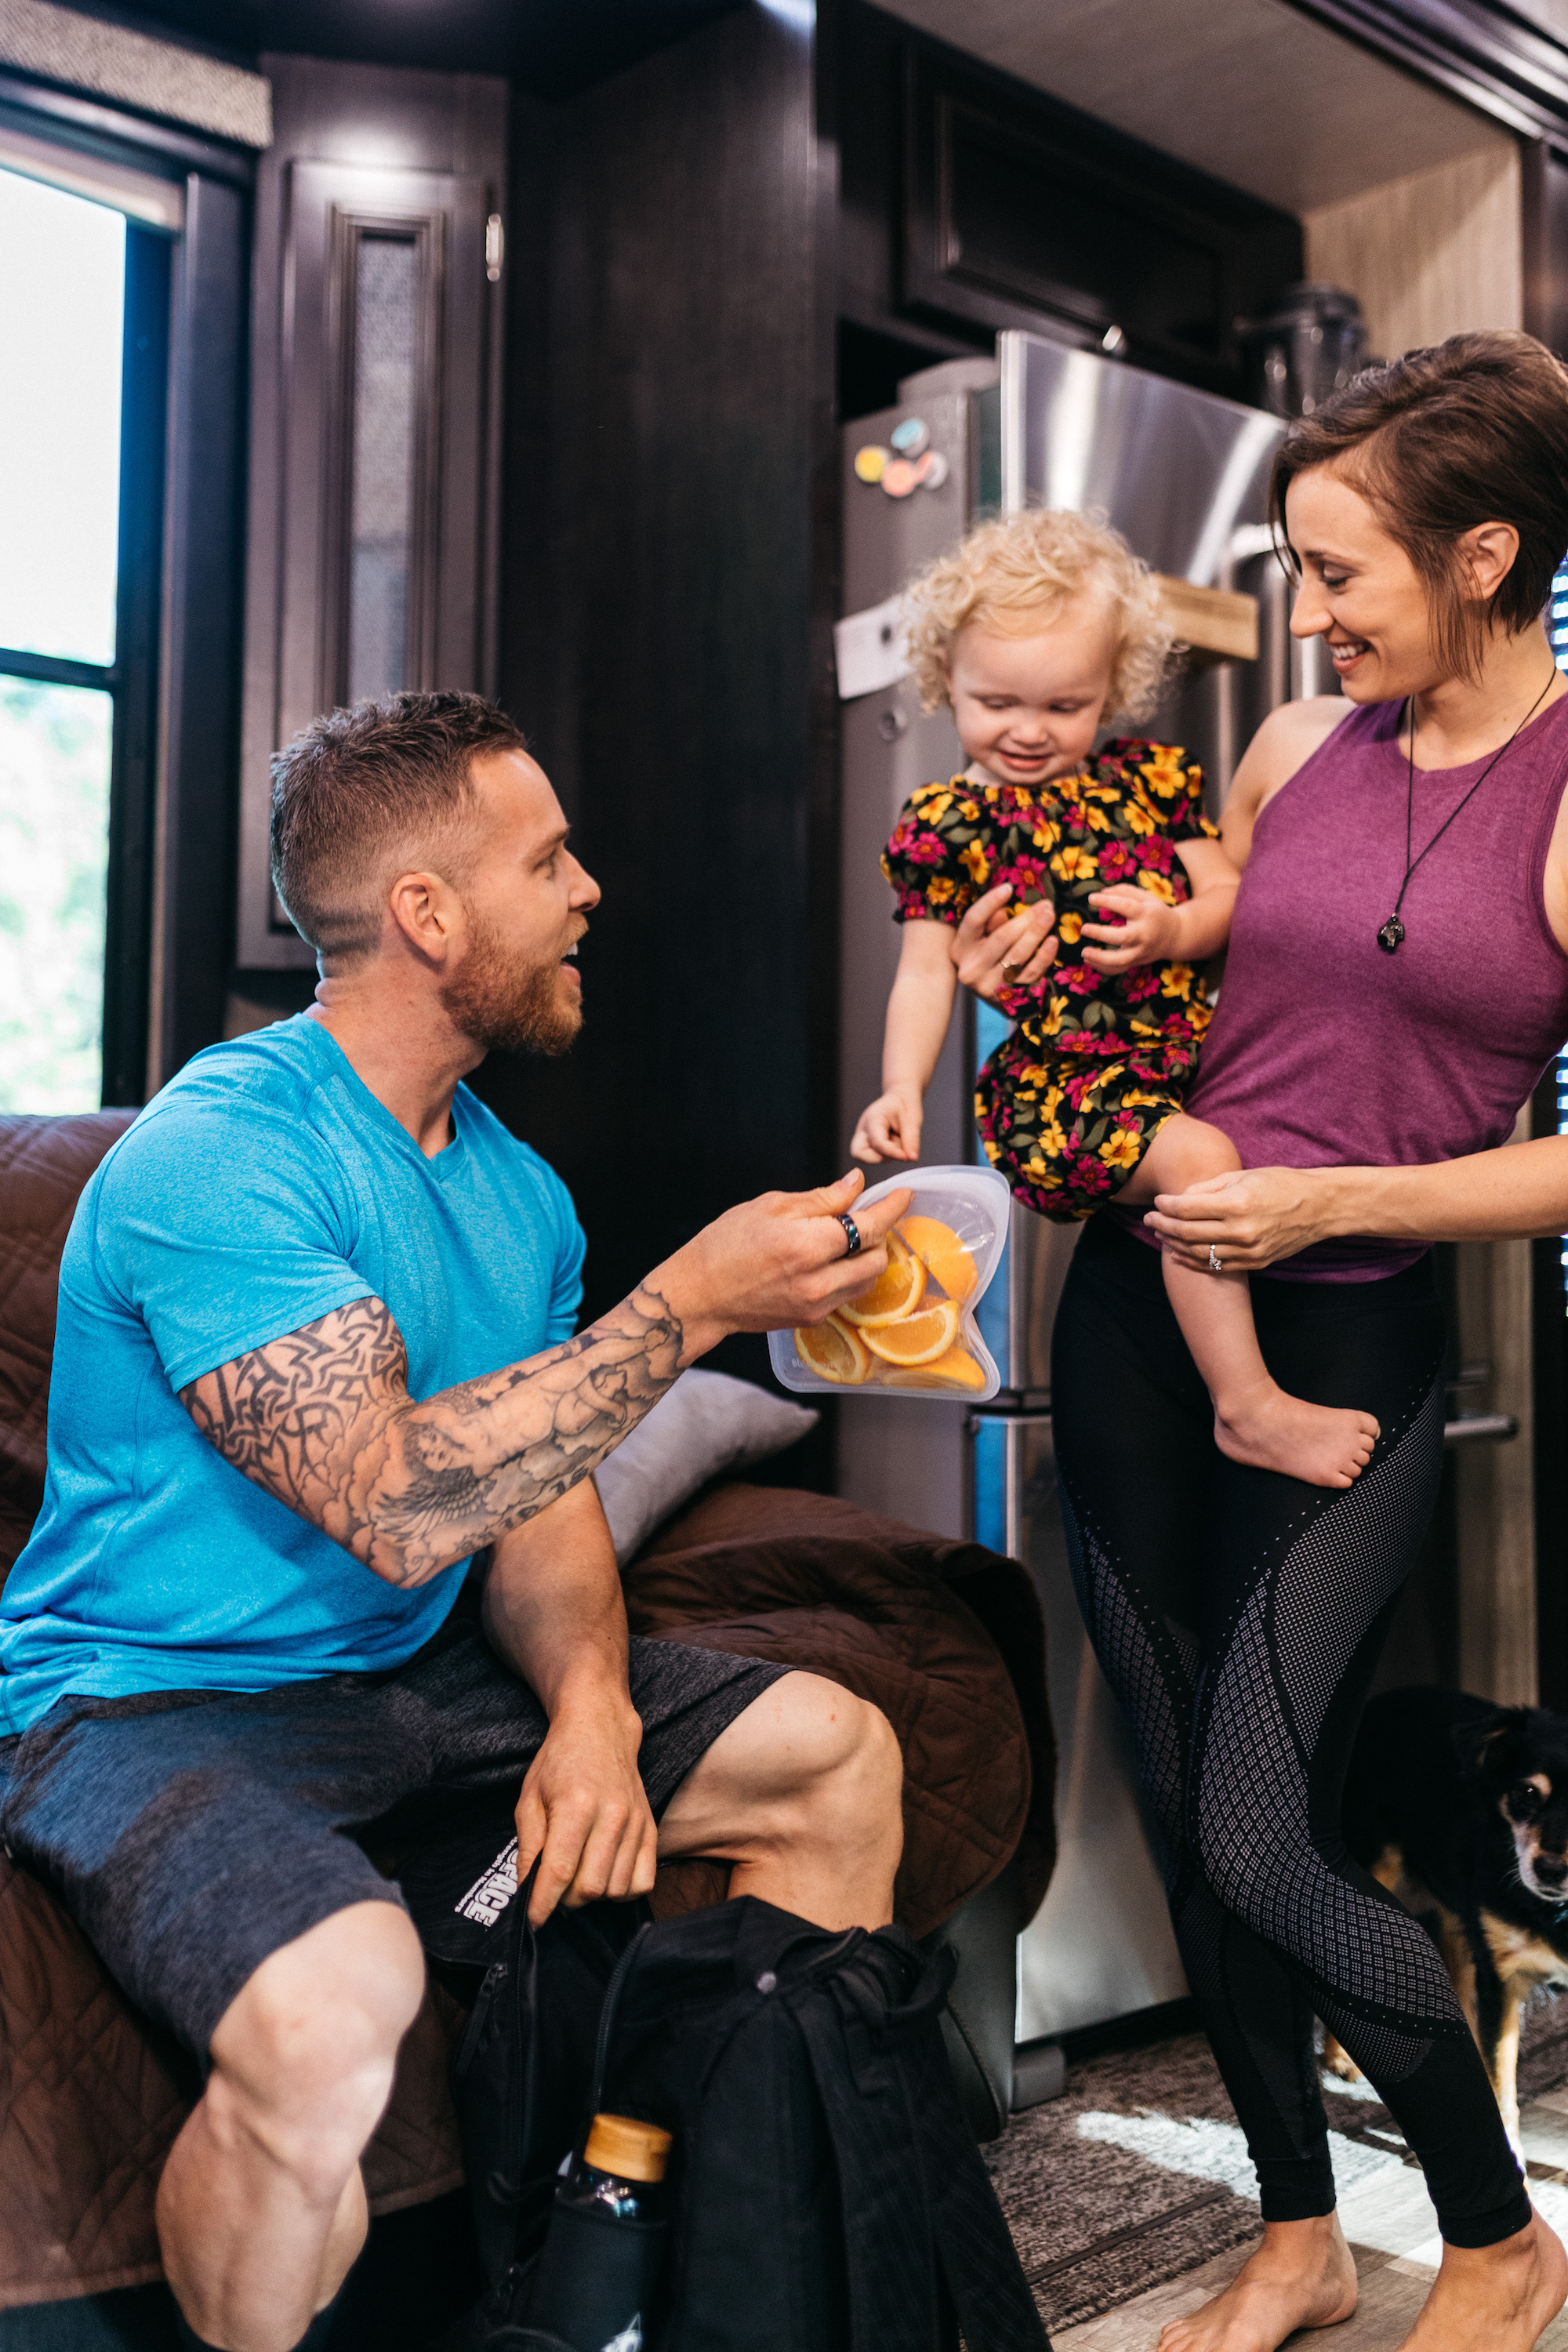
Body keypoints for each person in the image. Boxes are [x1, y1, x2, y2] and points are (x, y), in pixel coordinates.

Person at [0, 691, 911, 2352]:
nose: (589, 892)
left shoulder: (513, 1188)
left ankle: (731, 2285)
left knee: (833, 1756)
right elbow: (400, 1503)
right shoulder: (224, 1154)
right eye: (547, 857)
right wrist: (685, 1311)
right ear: (428, 913)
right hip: (149, 1702)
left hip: (412, 1695)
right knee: (336, 2007)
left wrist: (589, 1712)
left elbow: (527, 1494)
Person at [953, 332, 1568, 2352]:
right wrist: (1051, 936)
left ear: (1479, 554)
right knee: (1177, 1785)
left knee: (1251, 1819)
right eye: (1297, 570)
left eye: (1339, 572)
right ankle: (1292, 2227)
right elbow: (1180, 969)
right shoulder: (1299, 750)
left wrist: (1336, 1201)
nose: (1307, 619)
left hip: (1353, 1343)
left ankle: (1490, 2232)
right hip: (1141, 1306)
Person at [850, 510, 1377, 1487]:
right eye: (993, 700)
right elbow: (925, 970)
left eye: (1064, 706)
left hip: (1180, 1063)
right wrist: (898, 1088)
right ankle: (1247, 1406)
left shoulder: (1147, 784)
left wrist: (1172, 931)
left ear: (1111, 693)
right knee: (1201, 1163)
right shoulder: (946, 824)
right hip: (1062, 1086)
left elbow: (1228, 896)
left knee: (1229, 1156)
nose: (1026, 730)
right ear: (943, 683)